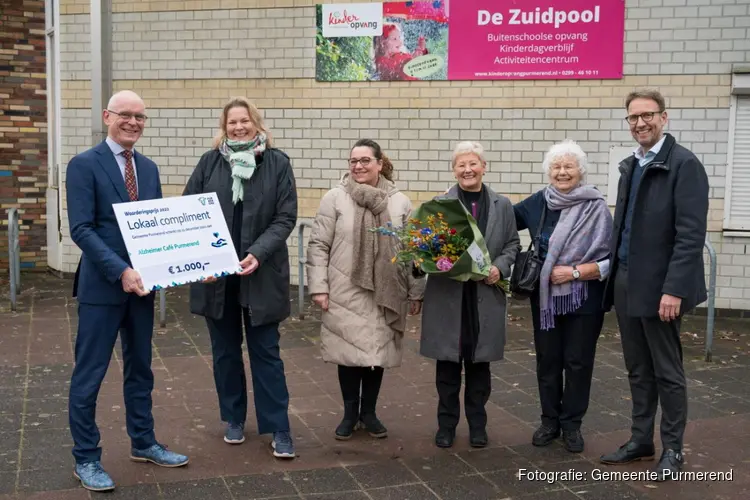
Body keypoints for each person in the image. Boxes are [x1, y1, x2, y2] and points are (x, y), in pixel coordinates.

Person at [66, 90, 189, 492]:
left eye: (140, 117)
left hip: (142, 290)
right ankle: (86, 458)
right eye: (126, 115)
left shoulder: (149, 168)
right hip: (103, 288)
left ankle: (144, 442)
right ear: (107, 116)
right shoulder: (84, 165)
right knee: (90, 375)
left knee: (141, 369)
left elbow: (155, 228)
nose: (133, 122)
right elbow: (81, 228)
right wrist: (120, 270)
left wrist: (190, 262)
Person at [599, 89, 709, 479]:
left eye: (648, 115)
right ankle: (641, 439)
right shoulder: (632, 164)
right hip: (627, 281)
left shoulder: (683, 165)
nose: (640, 123)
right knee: (637, 368)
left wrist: (674, 288)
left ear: (665, 117)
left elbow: (690, 235)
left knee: (667, 370)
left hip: (662, 287)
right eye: (633, 117)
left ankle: (673, 449)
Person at [183, 97, 298, 459]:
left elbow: (285, 217)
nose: (238, 127)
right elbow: (189, 210)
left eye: (244, 121)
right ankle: (233, 417)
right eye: (232, 122)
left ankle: (278, 426)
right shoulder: (210, 162)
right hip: (218, 280)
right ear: (224, 127)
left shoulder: (277, 163)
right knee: (225, 354)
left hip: (260, 275)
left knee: (267, 354)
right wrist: (199, 261)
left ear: (257, 124)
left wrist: (258, 253)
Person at [306, 139, 425, 440]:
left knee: (377, 351)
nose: (358, 166)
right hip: (345, 288)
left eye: (365, 161)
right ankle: (349, 414)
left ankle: (369, 413)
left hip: (387, 289)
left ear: (379, 163)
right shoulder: (334, 198)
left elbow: (413, 252)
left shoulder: (400, 202)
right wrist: (319, 287)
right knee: (348, 353)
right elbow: (319, 244)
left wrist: (416, 291)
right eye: (353, 161)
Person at [418, 141, 520, 449]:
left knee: (479, 366)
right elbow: (425, 249)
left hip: (484, 296)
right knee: (448, 366)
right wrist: (435, 259)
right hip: (449, 296)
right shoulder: (439, 205)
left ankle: (478, 425)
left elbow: (512, 245)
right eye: (461, 165)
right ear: (454, 170)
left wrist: (499, 268)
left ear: (484, 167)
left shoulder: (502, 205)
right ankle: (446, 425)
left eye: (473, 163)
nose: (467, 170)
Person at [513, 140, 613, 453]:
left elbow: (612, 259)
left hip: (585, 296)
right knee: (548, 360)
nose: (562, 172)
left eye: (568, 166)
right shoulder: (537, 202)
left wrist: (574, 273)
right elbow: (501, 221)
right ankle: (549, 421)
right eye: (556, 166)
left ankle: (572, 425)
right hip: (545, 299)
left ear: (580, 171)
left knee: (578, 362)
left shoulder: (596, 205)